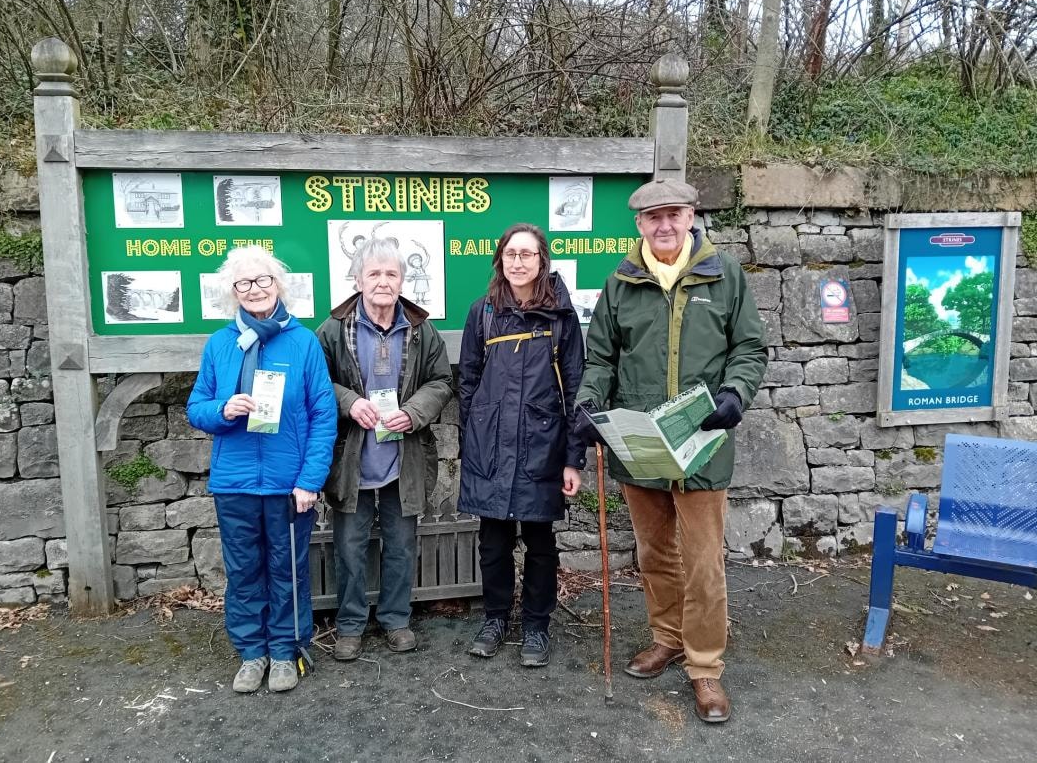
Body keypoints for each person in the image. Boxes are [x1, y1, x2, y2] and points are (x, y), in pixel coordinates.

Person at [574, 178, 767, 723]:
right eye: (652, 217)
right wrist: (590, 401)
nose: (664, 225)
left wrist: (735, 393)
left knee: (704, 563)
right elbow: (602, 358)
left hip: (702, 441)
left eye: (674, 214)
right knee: (654, 553)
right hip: (640, 441)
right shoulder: (621, 283)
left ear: (691, 216)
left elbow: (749, 347)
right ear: (638, 224)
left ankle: (705, 667)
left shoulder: (724, 275)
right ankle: (667, 636)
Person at [187, 245, 337, 694]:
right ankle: (252, 653)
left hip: (289, 486)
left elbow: (322, 416)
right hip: (234, 482)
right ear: (233, 292)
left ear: (278, 285)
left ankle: (286, 652)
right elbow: (196, 408)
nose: (254, 290)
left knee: (287, 570)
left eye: (263, 280)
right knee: (244, 572)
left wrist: (310, 480)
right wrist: (223, 408)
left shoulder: (304, 342)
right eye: (244, 283)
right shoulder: (219, 344)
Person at [317, 238, 453, 661]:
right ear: (357, 280)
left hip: (403, 457)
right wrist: (348, 400)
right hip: (352, 459)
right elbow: (316, 382)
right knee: (350, 547)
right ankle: (351, 625)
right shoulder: (332, 330)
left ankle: (396, 619)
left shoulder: (421, 330)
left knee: (400, 544)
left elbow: (442, 381)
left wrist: (413, 412)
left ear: (402, 280)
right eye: (373, 273)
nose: (382, 282)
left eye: (391, 274)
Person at [457, 223, 586, 667]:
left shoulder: (561, 318)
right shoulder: (484, 312)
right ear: (500, 260)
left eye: (527, 255)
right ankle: (495, 618)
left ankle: (536, 626)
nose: (518, 262)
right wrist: (469, 442)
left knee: (540, 543)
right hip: (489, 449)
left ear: (542, 261)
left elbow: (575, 388)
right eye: (511, 254)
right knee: (492, 542)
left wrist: (574, 458)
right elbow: (468, 382)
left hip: (541, 447)